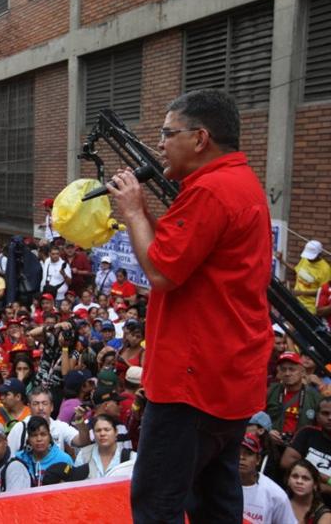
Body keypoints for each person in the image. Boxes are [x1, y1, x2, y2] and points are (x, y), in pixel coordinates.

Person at [108, 89, 274, 523]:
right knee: (215, 501)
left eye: (168, 133)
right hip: (228, 379)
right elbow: (182, 253)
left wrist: (133, 214)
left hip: (191, 383)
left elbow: (162, 272)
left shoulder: (211, 190)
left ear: (200, 139)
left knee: (157, 504)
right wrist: (145, 214)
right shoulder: (239, 182)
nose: (159, 143)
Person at [267, 352, 322, 447]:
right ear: (279, 372)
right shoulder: (270, 391)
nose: (287, 373)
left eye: (292, 369)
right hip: (271, 445)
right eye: (283, 369)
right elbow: (256, 416)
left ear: (302, 372)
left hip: (300, 449)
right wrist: (268, 430)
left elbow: (320, 427)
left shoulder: (315, 397)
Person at [239, 433, 297, 524]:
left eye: (248, 454)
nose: (241, 457)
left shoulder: (276, 495)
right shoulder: (217, 485)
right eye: (237, 453)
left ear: (258, 459)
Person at [281, 398, 331, 489]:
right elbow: (286, 462)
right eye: (325, 413)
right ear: (317, 416)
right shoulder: (307, 432)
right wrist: (327, 479)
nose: (330, 418)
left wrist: (316, 486)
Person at [15, 415, 74, 486]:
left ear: (49, 436)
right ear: (28, 439)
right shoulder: (19, 459)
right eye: (34, 435)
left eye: (43, 434)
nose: (39, 439)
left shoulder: (64, 459)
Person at [73, 414, 136, 479]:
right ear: (93, 434)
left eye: (107, 430)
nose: (102, 434)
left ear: (116, 432)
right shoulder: (83, 455)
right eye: (98, 430)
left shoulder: (131, 457)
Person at [285, 460, 331, 524]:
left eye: (305, 478)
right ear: (288, 481)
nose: (299, 481)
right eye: (295, 476)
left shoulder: (324, 515)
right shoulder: (279, 501)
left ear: (315, 485)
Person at [293, 240, 331, 315]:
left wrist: (301, 293)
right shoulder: (305, 259)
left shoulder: (325, 269)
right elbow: (297, 270)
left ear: (319, 254)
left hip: (310, 307)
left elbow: (323, 291)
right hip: (296, 301)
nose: (309, 259)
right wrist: (282, 261)